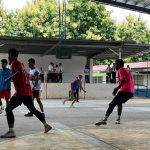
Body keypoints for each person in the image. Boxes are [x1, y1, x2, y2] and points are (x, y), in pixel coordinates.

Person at [1, 48, 52, 138]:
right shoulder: (21, 64)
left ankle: (11, 131)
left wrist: (8, 78)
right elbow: (24, 76)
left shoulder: (15, 63)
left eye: (8, 56)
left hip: (21, 93)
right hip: (27, 93)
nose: (8, 58)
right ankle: (46, 125)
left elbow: (19, 72)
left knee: (8, 109)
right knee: (33, 110)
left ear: (11, 56)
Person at [95, 59, 134, 125]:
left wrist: (117, 89)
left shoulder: (121, 69)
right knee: (119, 103)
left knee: (112, 104)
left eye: (115, 64)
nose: (114, 66)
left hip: (125, 91)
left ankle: (105, 119)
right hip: (130, 92)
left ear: (119, 64)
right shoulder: (126, 70)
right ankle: (118, 119)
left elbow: (124, 80)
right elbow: (127, 80)